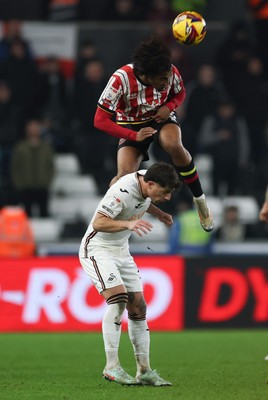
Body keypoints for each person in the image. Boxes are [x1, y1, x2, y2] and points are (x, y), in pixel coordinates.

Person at [94, 36, 213, 232]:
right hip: (132, 127)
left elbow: (180, 92)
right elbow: (99, 120)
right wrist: (134, 136)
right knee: (122, 179)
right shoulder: (120, 79)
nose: (167, 83)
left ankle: (200, 201)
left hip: (160, 119)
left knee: (174, 144)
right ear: (146, 75)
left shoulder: (170, 70)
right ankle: (117, 223)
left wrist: (170, 105)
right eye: (162, 79)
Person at [79, 162, 181, 386]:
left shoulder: (146, 181)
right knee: (118, 300)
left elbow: (144, 200)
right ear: (151, 184)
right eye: (164, 193)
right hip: (97, 249)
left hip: (121, 251)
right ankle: (111, 366)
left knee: (139, 307)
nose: (167, 197)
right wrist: (128, 224)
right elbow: (99, 222)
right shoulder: (122, 192)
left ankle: (144, 370)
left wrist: (160, 213)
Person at [11, 119, 54, 217]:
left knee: (44, 213)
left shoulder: (46, 147)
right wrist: (19, 183)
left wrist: (47, 181)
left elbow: (51, 166)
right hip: (26, 186)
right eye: (31, 129)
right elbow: (15, 167)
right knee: (27, 215)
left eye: (36, 128)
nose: (33, 131)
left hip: (42, 186)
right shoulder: (20, 147)